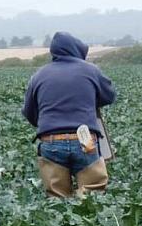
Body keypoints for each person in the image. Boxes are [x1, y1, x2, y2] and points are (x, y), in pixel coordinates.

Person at [22, 32, 116, 197]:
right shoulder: (90, 70)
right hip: (84, 139)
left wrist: (50, 125)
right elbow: (109, 96)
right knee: (92, 197)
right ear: (77, 51)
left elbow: (29, 112)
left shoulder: (38, 75)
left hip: (51, 142)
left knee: (56, 200)